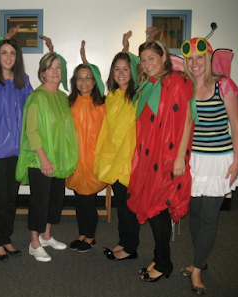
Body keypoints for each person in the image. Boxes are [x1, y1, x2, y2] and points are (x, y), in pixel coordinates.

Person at [180, 37, 238, 294]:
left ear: (208, 59)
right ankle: (201, 259)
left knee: (209, 217)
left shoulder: (224, 85)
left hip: (220, 161)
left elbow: (236, 125)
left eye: (200, 57)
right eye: (190, 59)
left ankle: (197, 269)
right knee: (194, 213)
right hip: (195, 161)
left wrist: (237, 160)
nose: (195, 63)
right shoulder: (185, 87)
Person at [127, 29, 194, 282]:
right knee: (154, 208)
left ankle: (164, 263)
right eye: (143, 60)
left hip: (166, 158)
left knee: (158, 209)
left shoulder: (177, 81)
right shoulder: (147, 84)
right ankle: (159, 257)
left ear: (164, 57)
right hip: (148, 157)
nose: (147, 63)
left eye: (151, 58)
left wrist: (179, 158)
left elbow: (188, 120)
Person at [16, 52, 78, 262]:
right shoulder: (37, 97)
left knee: (55, 200)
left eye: (58, 67)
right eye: (50, 68)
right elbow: (31, 132)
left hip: (58, 159)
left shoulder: (62, 97)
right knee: (39, 202)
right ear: (42, 73)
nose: (55, 71)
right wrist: (43, 158)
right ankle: (34, 243)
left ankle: (46, 236)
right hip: (40, 160)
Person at [0, 37, 33, 261]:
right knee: (0, 198)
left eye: (12, 53)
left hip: (17, 150)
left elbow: (32, 110)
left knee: (12, 198)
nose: (9, 57)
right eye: (4, 53)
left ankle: (7, 238)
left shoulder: (23, 80)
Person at [94, 32, 141, 261]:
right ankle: (124, 242)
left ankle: (130, 248)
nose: (121, 74)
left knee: (130, 206)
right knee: (122, 205)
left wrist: (127, 48)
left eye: (126, 68)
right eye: (117, 69)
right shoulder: (111, 96)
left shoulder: (139, 95)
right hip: (115, 158)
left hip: (132, 160)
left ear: (133, 71)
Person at [66, 41, 106, 252]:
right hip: (75, 160)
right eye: (80, 78)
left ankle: (90, 236)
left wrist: (85, 59)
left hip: (93, 160)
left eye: (88, 77)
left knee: (89, 201)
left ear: (94, 81)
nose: (84, 81)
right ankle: (82, 233)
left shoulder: (102, 104)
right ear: (75, 81)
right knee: (79, 200)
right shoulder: (69, 103)